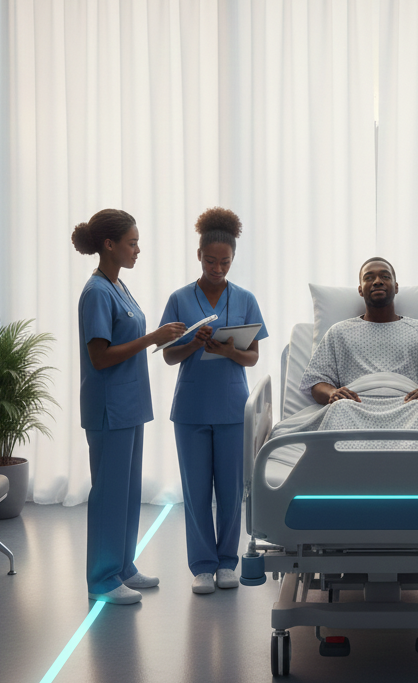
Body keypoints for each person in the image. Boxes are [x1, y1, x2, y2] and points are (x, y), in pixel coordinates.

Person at [72, 209, 186, 605]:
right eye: (132, 242)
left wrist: (164, 337)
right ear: (109, 244)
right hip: (109, 408)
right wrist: (154, 335)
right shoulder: (97, 293)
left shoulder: (118, 285)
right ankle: (102, 579)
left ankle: (123, 566)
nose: (138, 249)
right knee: (109, 493)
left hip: (130, 404)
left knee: (127, 491)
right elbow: (100, 357)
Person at [160, 207, 268, 595]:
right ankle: (202, 566)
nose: (218, 268)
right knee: (196, 492)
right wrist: (193, 343)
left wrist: (227, 351)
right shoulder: (178, 299)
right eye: (211, 261)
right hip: (190, 408)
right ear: (199, 256)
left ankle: (227, 562)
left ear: (233, 259)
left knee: (230, 491)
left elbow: (253, 356)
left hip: (232, 407)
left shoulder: (246, 299)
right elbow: (169, 355)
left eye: (225, 261)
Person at [301, 257, 418, 406]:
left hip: (411, 407)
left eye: (385, 276)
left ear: (396, 286)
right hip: (353, 407)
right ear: (360, 290)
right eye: (369, 277)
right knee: (340, 408)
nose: (377, 281)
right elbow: (316, 381)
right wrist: (333, 393)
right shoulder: (338, 333)